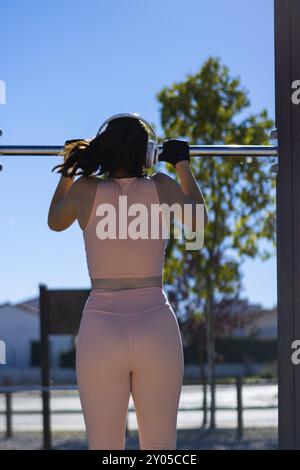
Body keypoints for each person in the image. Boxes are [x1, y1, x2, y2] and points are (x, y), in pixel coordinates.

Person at [48, 113, 208, 450]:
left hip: (100, 331)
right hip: (156, 326)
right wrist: (182, 164)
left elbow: (55, 221)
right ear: (147, 155)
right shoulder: (161, 185)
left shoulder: (86, 189)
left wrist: (70, 169)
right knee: (161, 450)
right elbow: (197, 222)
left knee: (105, 450)